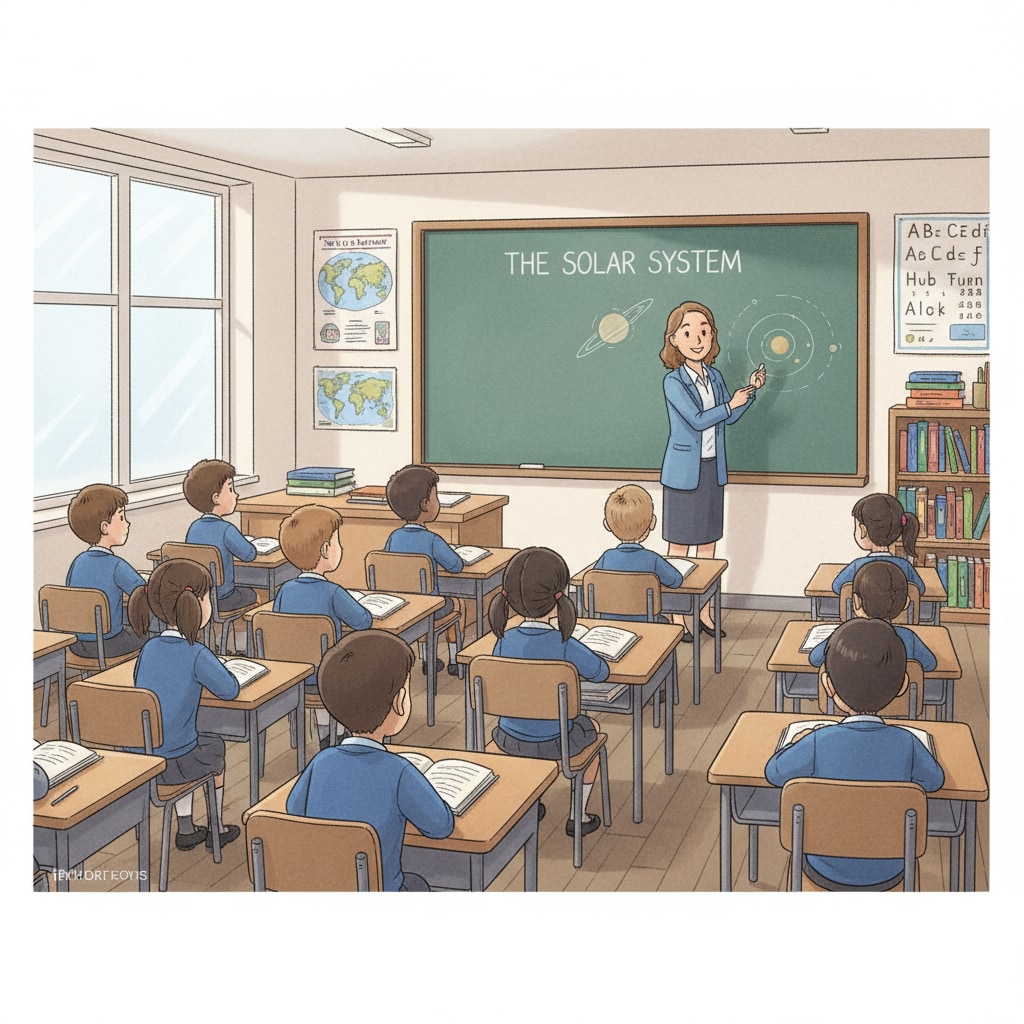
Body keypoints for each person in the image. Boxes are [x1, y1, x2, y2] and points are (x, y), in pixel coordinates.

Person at [765, 617, 944, 889]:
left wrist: (797, 742)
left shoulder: (818, 741)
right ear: (902, 685)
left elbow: (774, 772)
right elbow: (935, 780)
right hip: (892, 870)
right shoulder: (907, 742)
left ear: (828, 685)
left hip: (823, 870)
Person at [285, 631, 454, 892]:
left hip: (324, 891)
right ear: (399, 702)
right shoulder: (399, 771)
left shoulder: (321, 761)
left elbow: (294, 811)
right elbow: (441, 825)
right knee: (419, 883)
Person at [658, 300, 765, 637]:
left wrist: (749, 393)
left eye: (704, 332)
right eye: (688, 332)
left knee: (707, 547)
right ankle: (675, 616)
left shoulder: (714, 376)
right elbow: (697, 419)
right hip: (683, 474)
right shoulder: (673, 382)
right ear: (674, 340)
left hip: (711, 470)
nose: (698, 339)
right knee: (679, 548)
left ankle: (704, 613)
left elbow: (727, 418)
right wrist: (729, 404)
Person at [488, 546, 609, 838]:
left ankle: (531, 801)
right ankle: (577, 815)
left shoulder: (503, 642)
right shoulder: (564, 644)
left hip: (507, 737)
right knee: (592, 729)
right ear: (559, 595)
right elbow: (600, 672)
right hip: (557, 742)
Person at [126, 558, 241, 852]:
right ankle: (216, 827)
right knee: (213, 746)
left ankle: (187, 828)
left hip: (145, 757)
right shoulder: (196, 652)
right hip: (175, 762)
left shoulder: (149, 649)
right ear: (196, 603)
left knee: (188, 739)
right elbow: (229, 690)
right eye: (208, 597)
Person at [274, 504, 373, 749]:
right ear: (326, 549)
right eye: (338, 541)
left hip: (294, 673)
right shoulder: (332, 592)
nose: (342, 547)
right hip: (328, 676)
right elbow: (363, 621)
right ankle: (338, 734)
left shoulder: (285, 591)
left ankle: (324, 735)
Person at [384, 463, 464, 676]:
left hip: (401, 604)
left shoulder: (394, 537)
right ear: (425, 504)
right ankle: (455, 660)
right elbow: (456, 566)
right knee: (455, 603)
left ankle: (428, 659)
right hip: (427, 608)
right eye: (436, 497)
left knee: (424, 602)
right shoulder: (432, 539)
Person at [65, 483, 148, 658]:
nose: (127, 523)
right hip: (109, 644)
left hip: (77, 645)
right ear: (104, 527)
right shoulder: (116, 565)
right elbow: (143, 591)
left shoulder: (77, 562)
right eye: (121, 517)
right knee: (150, 636)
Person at [809, 560, 936, 671]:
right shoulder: (909, 637)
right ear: (906, 603)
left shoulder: (842, 635)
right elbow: (930, 664)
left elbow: (814, 658)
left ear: (856, 602)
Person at [594, 484, 685, 628]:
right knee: (664, 622)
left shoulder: (607, 557)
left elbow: (595, 581)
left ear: (607, 525)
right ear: (652, 522)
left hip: (610, 624)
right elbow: (676, 581)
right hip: (647, 623)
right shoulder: (652, 559)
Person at [183, 458, 258, 612]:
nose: (236, 495)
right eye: (230, 489)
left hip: (200, 598)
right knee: (255, 594)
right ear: (216, 498)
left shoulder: (194, 528)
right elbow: (249, 554)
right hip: (224, 598)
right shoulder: (226, 529)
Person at [830, 492, 927, 598]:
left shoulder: (857, 566)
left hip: (862, 609)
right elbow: (920, 589)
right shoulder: (905, 566)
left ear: (863, 530)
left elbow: (837, 587)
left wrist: (841, 575)